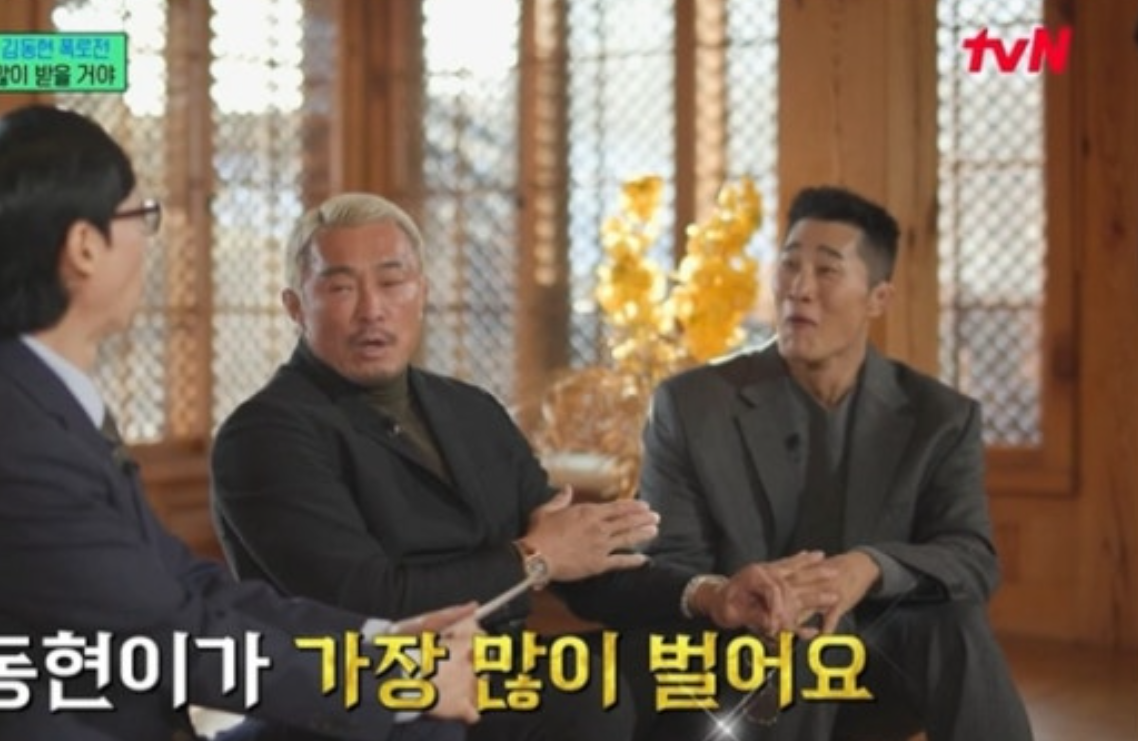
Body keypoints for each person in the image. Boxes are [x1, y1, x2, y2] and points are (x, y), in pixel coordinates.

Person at [0, 106, 481, 741]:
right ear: (84, 247)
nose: (148, 242)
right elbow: (177, 640)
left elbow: (188, 586)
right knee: (413, 721)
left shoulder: (33, 395)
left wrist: (377, 639)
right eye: (139, 217)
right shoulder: (16, 447)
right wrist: (396, 681)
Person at [210, 192, 834, 741]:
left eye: (392, 281)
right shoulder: (265, 435)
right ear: (296, 305)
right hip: (368, 686)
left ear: (422, 292)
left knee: (709, 656)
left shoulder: (468, 410)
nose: (372, 308)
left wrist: (713, 596)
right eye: (341, 287)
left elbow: (580, 562)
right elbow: (370, 602)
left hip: (497, 670)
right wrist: (532, 559)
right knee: (582, 698)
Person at [636, 185, 1034, 740]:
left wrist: (868, 567)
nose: (799, 288)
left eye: (826, 270)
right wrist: (739, 597)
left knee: (956, 623)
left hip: (877, 665)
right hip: (741, 659)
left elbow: (972, 557)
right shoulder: (693, 405)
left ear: (878, 298)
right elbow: (668, 564)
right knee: (798, 633)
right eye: (789, 265)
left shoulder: (939, 417)